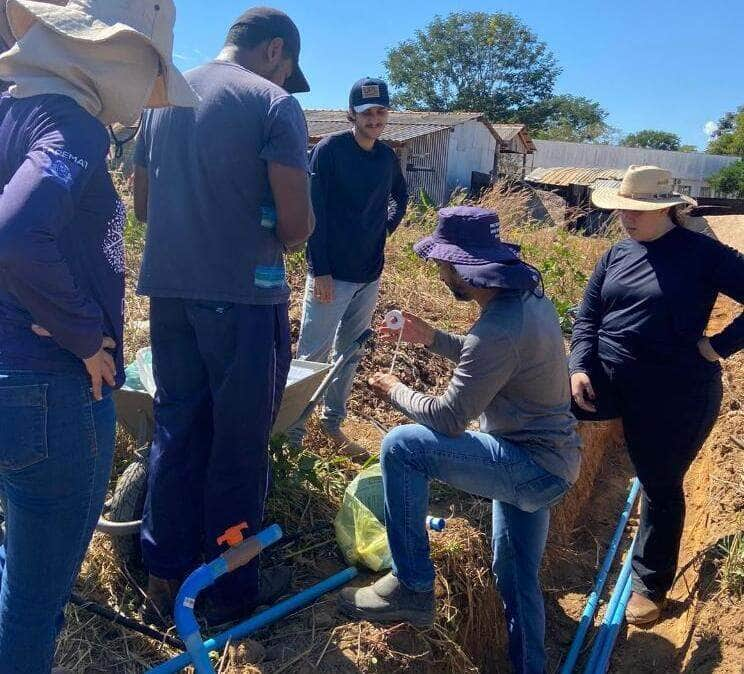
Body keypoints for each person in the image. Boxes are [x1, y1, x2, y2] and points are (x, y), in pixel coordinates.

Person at [0, 0, 195, 671]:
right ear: (114, 54)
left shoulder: (9, 113)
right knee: (37, 599)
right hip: (53, 390)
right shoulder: (72, 127)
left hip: (12, 374)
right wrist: (82, 333)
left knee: (17, 565)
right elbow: (16, 234)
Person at [338, 206, 581, 674]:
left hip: (527, 466)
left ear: (465, 269)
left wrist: (396, 391)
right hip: (551, 461)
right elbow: (488, 355)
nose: (439, 271)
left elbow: (449, 418)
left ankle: (412, 586)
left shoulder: (497, 329)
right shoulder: (528, 302)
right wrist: (430, 337)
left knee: (402, 446)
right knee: (514, 578)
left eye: (443, 264)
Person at [133, 7, 314, 626]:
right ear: (274, 53)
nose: (287, 79)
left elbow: (142, 207)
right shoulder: (272, 105)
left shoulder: (162, 98)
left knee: (176, 429)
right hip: (241, 300)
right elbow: (294, 227)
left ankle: (163, 573)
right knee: (238, 445)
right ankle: (231, 594)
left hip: (170, 294)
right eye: (288, 68)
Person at [569, 165, 744, 625]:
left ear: (666, 208)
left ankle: (650, 583)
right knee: (545, 418)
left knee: (659, 483)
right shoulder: (616, 254)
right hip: (607, 376)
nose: (626, 217)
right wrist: (578, 366)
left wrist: (719, 345)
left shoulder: (703, 254)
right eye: (622, 208)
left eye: (637, 210)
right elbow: (587, 317)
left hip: (675, 391)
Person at [287, 77, 408, 457]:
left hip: (368, 274)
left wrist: (383, 228)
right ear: (351, 114)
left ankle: (331, 423)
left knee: (350, 352)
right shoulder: (330, 150)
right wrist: (318, 268)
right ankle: (292, 432)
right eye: (367, 112)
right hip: (331, 274)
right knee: (313, 354)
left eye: (380, 112)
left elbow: (400, 199)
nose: (374, 119)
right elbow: (313, 209)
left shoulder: (386, 157)